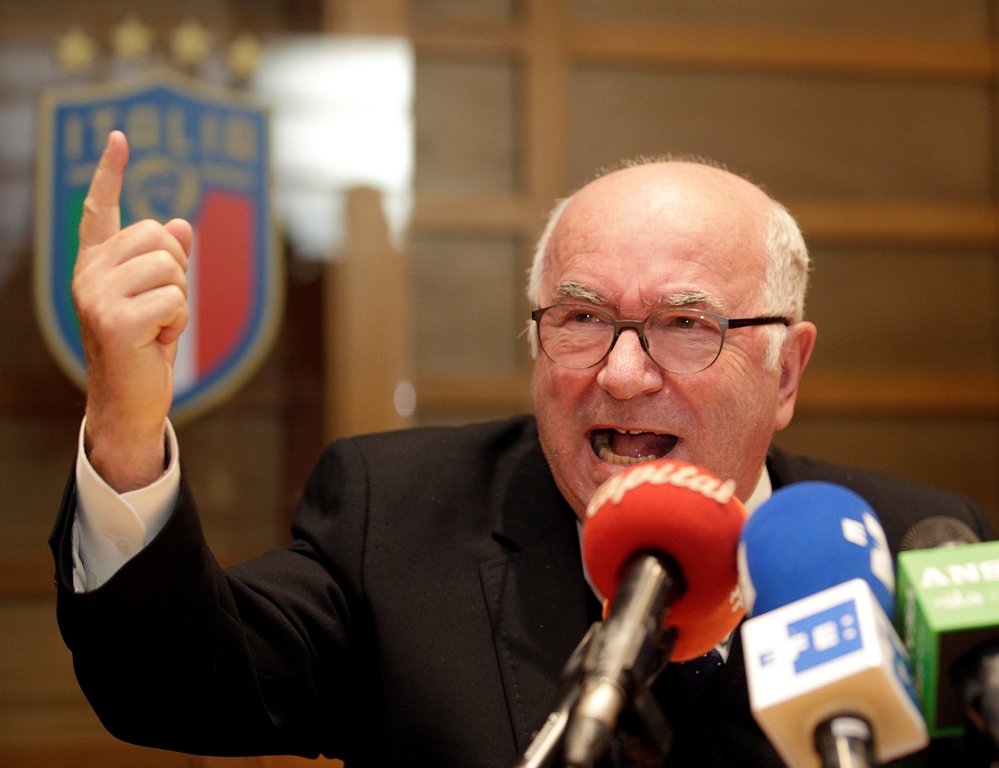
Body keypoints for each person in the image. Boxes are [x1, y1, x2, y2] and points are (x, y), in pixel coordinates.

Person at [51, 130, 993, 768]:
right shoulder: (400, 517)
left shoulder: (918, 546)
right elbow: (173, 687)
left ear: (786, 371)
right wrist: (126, 426)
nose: (622, 375)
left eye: (682, 324)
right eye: (580, 319)